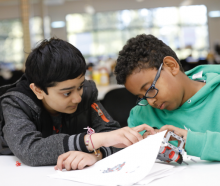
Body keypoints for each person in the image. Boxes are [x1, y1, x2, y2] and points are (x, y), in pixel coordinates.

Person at [0, 38, 154, 171]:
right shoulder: (16, 103)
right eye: (66, 93)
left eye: (80, 86)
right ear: (38, 90)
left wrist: (96, 154)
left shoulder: (86, 95)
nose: (77, 98)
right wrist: (92, 140)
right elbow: (30, 150)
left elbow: (112, 135)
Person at [114, 34, 220, 161]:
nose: (150, 101)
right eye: (142, 96)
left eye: (150, 89)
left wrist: (189, 140)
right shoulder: (140, 117)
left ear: (171, 66)